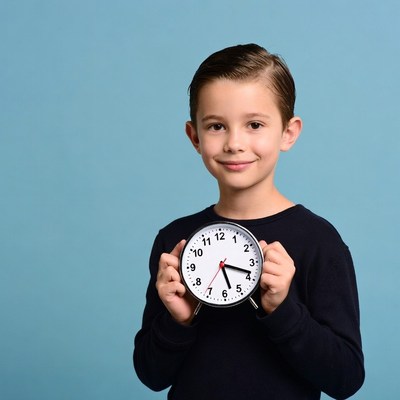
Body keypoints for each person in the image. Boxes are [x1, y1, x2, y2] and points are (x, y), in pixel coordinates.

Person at [133, 43, 364, 400]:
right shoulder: (176, 241)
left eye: (254, 124)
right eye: (216, 126)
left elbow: (345, 378)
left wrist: (283, 309)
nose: (235, 143)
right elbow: (151, 375)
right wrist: (178, 320)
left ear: (288, 132)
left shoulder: (318, 241)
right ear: (194, 136)